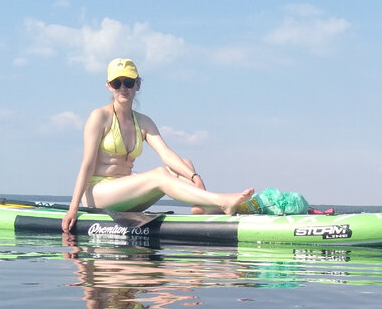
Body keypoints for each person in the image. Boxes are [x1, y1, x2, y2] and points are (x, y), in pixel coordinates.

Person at [61, 59, 255, 232]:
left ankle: (203, 206)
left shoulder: (144, 122)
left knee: (184, 164)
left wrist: (194, 176)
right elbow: (86, 165)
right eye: (116, 83)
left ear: (137, 84)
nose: (123, 88)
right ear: (109, 86)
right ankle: (221, 201)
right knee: (160, 175)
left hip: (127, 195)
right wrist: (73, 209)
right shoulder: (100, 117)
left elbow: (166, 154)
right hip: (97, 193)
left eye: (128, 82)